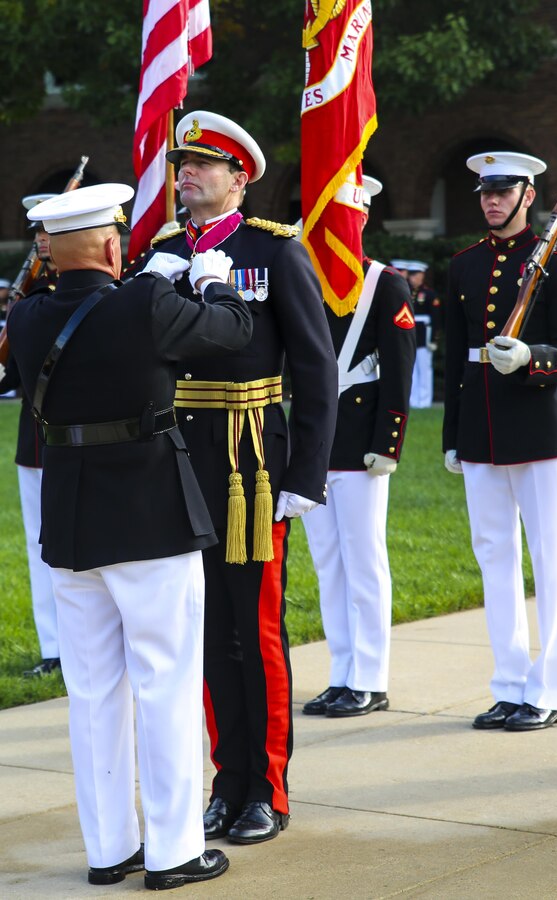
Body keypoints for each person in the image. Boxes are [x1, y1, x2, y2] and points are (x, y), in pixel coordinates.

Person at [7, 183, 253, 888]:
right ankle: (175, 851)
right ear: (114, 245)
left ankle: (109, 848)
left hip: (73, 523)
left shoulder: (26, 317)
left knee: (92, 693)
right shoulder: (145, 304)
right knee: (166, 683)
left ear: (51, 250)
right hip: (149, 517)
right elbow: (231, 334)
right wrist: (211, 281)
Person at [136, 111, 338, 844]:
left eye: (203, 165)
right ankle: (225, 781)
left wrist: (307, 474)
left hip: (251, 465)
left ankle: (266, 790)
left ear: (239, 177)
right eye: (181, 164)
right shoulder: (161, 254)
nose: (186, 174)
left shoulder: (273, 252)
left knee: (253, 632)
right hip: (178, 463)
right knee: (202, 629)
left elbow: (316, 370)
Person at [443, 151, 557, 732]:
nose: (492, 200)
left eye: (504, 191)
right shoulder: (464, 266)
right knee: (495, 560)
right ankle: (509, 685)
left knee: (550, 561)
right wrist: (453, 437)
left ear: (529, 196)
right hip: (481, 433)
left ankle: (548, 690)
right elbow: (457, 359)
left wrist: (535, 357)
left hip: (538, 434)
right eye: (485, 191)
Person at [302, 175, 416, 717]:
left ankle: (370, 677)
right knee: (328, 562)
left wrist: (388, 442)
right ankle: (341, 671)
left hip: (361, 441)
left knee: (364, 560)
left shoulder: (384, 285)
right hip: (315, 443)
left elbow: (399, 372)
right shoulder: (306, 283)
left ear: (362, 220)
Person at [0, 195, 61, 676]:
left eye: (49, 227)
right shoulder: (28, 291)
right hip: (34, 439)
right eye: (37, 228)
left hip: (77, 432)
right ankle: (53, 646)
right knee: (40, 544)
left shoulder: (85, 286)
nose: (40, 236)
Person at [407, 260, 441, 408]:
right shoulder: (407, 292)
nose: (412, 278)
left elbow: (436, 318)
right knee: (412, 368)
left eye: (416, 275)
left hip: (424, 334)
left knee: (424, 367)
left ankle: (425, 400)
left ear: (421, 276)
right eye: (411, 275)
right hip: (412, 332)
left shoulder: (429, 294)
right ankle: (413, 400)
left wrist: (434, 339)